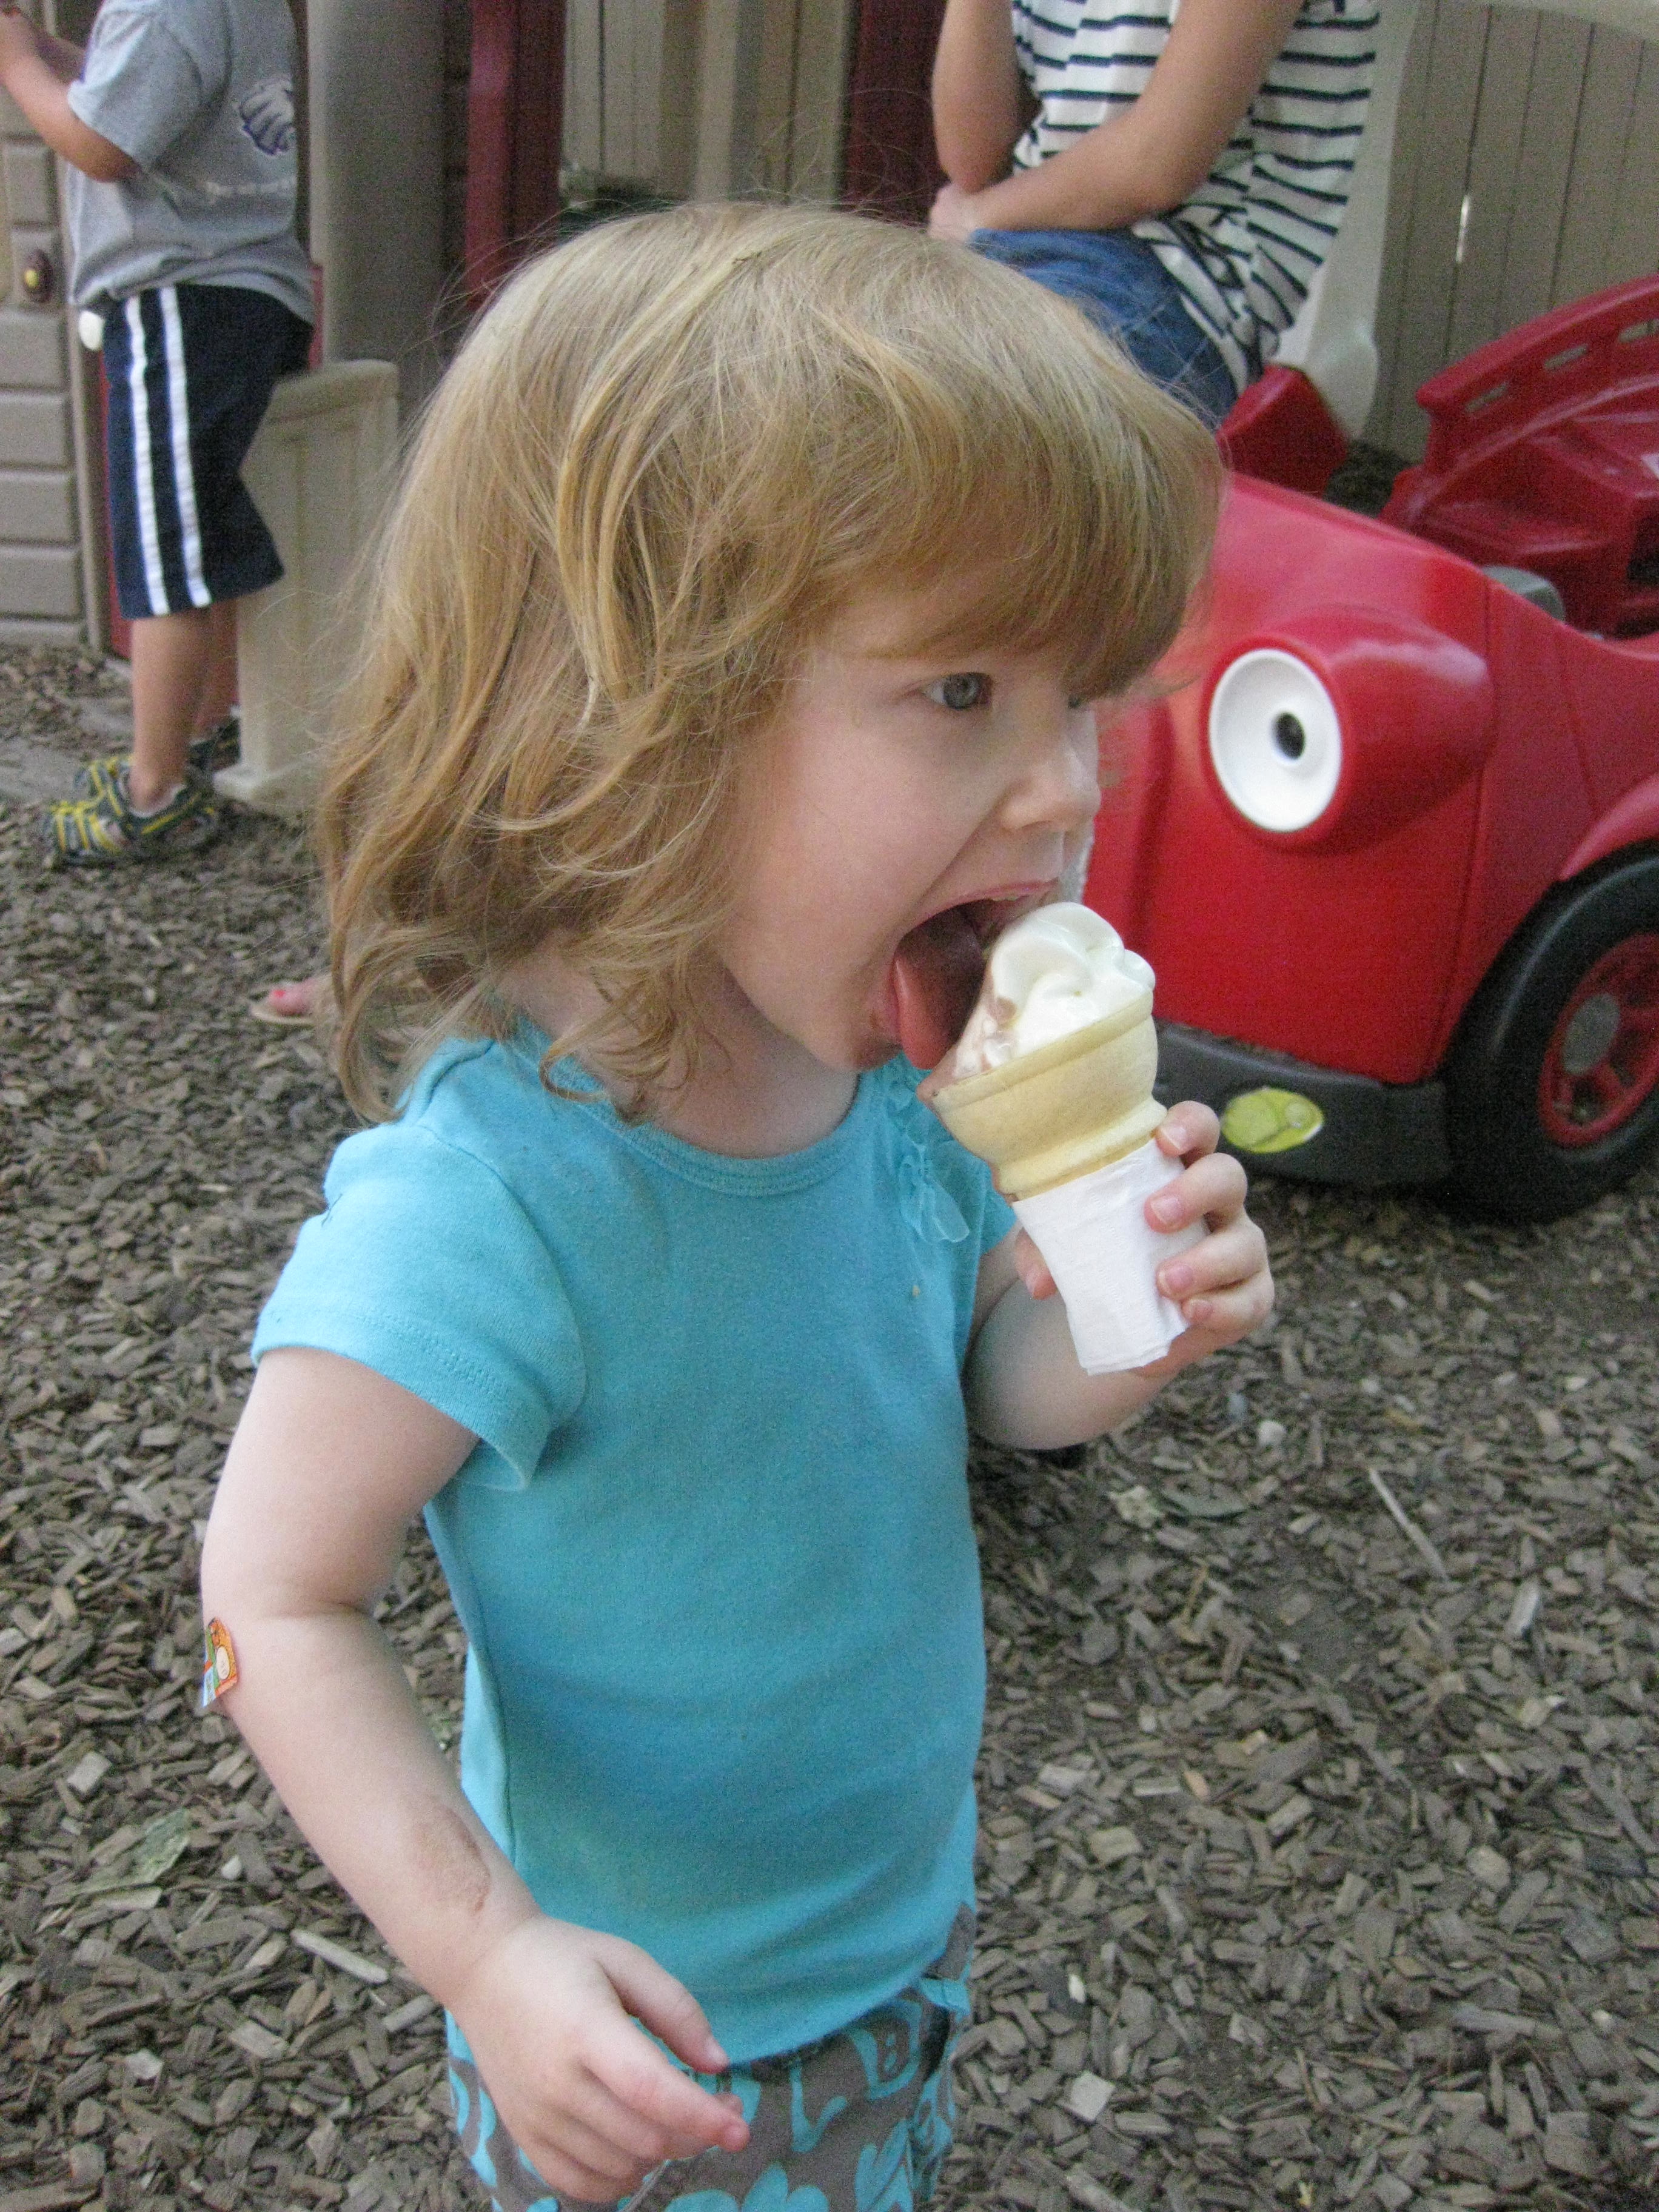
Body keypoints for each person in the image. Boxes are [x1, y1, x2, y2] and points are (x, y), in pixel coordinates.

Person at [199, 205, 1275, 2212]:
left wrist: (1126, 1319)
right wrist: (485, 1953)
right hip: (651, 2040)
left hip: (894, 1937)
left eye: (1082, 698)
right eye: (962, 688)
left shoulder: (903, 1084)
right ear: (629, 712)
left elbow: (983, 1381)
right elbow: (273, 1593)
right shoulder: (494, 1206)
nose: (1063, 787)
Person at [0, 0, 313, 865]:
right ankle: (197, 739)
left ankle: (154, 795)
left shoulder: (162, 5)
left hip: (181, 292)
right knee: (197, 537)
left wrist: (17, 67)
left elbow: (103, 145)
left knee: (163, 551)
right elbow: (139, 90)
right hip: (243, 291)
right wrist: (45, 48)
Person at [929, 0, 1376, 424]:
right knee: (902, 379)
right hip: (1020, 238)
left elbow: (1157, 167)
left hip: (1177, 277)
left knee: (944, 409)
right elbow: (972, 161)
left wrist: (975, 217)